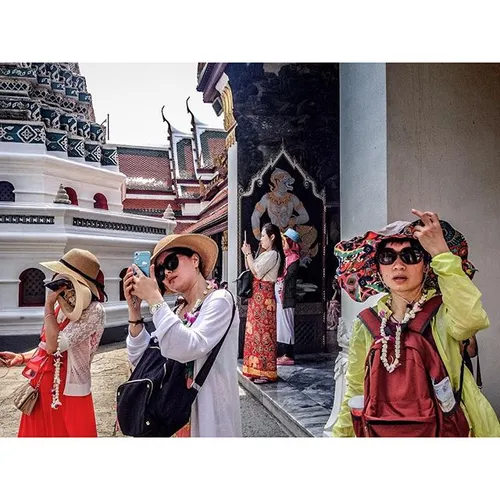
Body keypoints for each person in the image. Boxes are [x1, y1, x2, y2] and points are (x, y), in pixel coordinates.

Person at [332, 209, 500, 437]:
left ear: (426, 265)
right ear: (378, 269)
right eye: (387, 257)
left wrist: (441, 253)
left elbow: (470, 321)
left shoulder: (444, 311)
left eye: (410, 256)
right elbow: (355, 388)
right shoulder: (367, 323)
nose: (398, 265)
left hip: (446, 431)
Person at [123, 233, 241, 437]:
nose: (166, 272)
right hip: (174, 414)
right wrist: (134, 312)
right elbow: (141, 359)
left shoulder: (220, 300)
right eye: (160, 271)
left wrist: (154, 298)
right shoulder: (176, 311)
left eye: (171, 262)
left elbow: (189, 346)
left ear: (195, 260)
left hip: (209, 412)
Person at [0, 249, 106, 437]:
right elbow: (44, 346)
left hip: (69, 389)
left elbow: (54, 346)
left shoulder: (94, 310)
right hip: (42, 384)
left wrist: (48, 307)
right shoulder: (60, 306)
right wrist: (21, 357)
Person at [241, 222, 285, 384]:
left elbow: (257, 271)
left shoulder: (273, 254)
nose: (261, 240)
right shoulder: (266, 254)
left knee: (264, 334)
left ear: (272, 237)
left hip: (264, 297)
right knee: (254, 333)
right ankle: (255, 369)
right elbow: (251, 268)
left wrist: (248, 255)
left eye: (263, 237)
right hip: (258, 297)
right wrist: (248, 254)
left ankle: (266, 372)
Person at [276, 228, 301, 366]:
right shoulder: (284, 257)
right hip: (280, 296)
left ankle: (288, 354)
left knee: (287, 325)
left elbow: (288, 276)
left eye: (285, 241)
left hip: (287, 297)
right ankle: (282, 353)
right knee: (281, 325)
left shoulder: (294, 259)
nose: (283, 244)